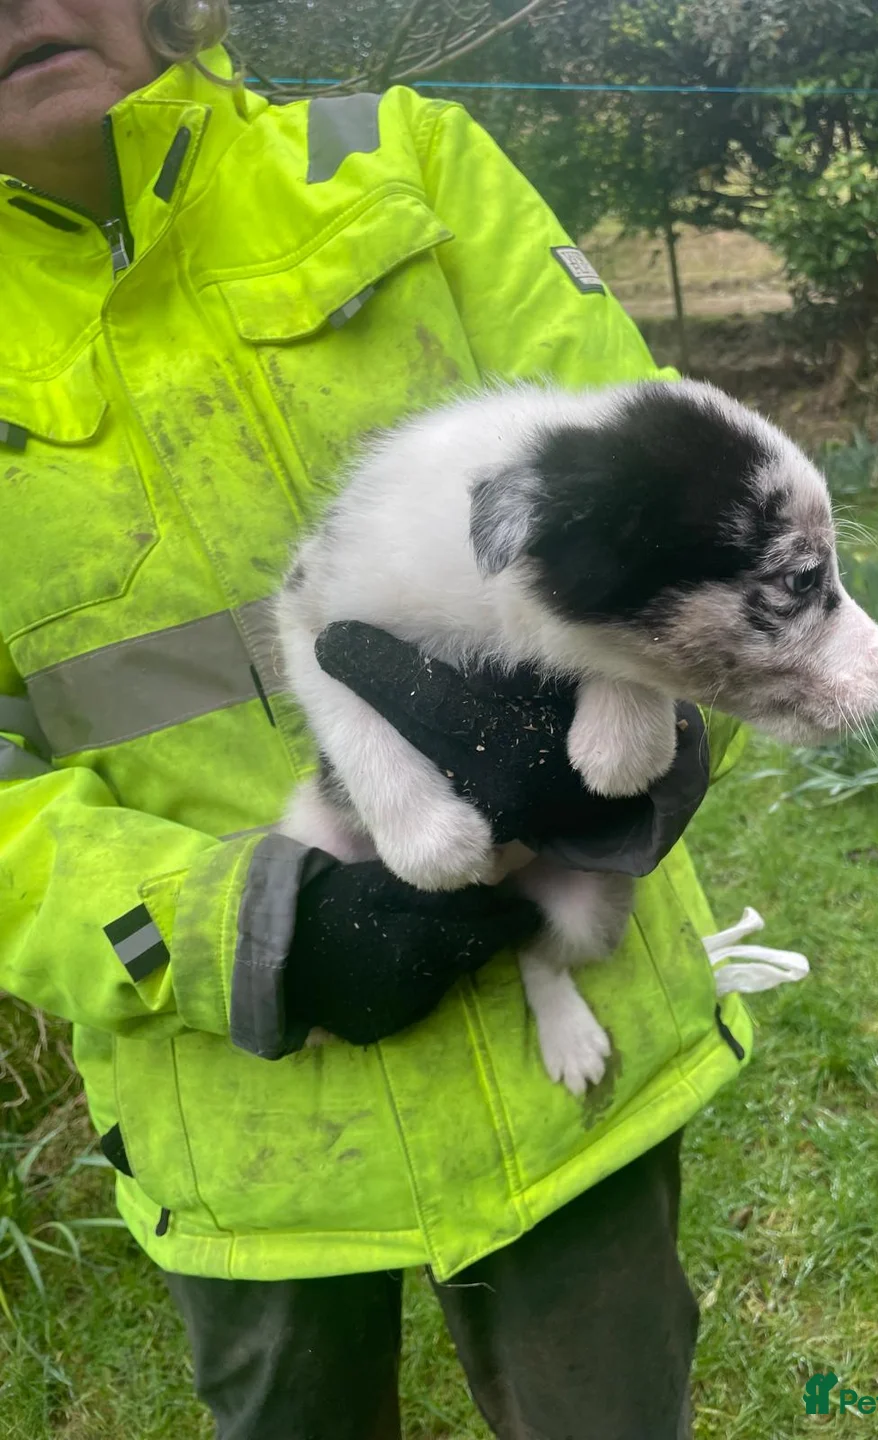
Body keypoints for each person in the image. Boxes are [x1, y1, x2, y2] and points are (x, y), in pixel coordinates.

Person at [0, 1, 754, 1435]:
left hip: (575, 1037)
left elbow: (661, 483)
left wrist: (610, 733)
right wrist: (250, 928)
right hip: (244, 1114)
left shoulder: (401, 162)